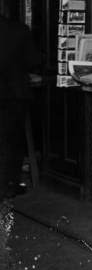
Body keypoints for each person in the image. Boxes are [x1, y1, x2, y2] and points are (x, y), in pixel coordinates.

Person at [0, 16, 37, 198]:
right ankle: (7, 185)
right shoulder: (19, 30)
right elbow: (32, 60)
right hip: (14, 94)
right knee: (11, 142)